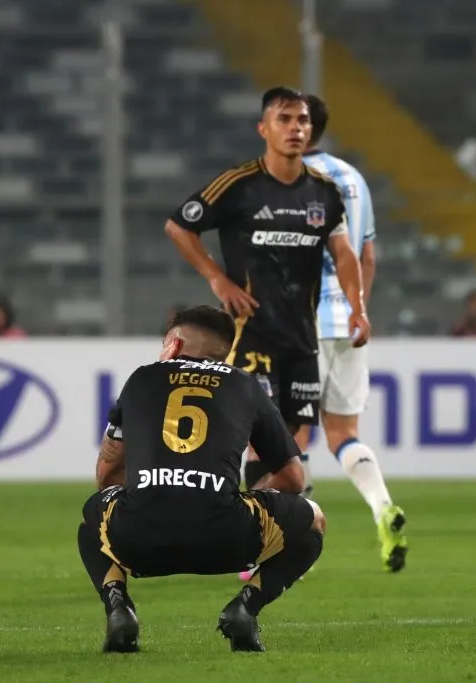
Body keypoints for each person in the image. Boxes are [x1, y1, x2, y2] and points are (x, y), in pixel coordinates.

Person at [77, 306, 325, 653]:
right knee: (313, 520)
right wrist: (242, 500)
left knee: (91, 519)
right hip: (227, 538)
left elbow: (105, 476)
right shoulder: (245, 384)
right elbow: (293, 478)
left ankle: (120, 609)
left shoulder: (141, 379)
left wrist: (153, 488)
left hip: (139, 539)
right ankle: (245, 608)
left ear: (175, 344)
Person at [164, 86, 371, 500]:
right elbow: (179, 227)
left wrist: (358, 307)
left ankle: (265, 521)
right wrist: (217, 278)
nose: (296, 128)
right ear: (264, 128)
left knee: (287, 443)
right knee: (260, 436)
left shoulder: (324, 191)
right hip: (251, 335)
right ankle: (249, 524)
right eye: (284, 119)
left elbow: (345, 254)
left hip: (302, 338)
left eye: (303, 120)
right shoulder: (239, 184)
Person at [300, 93, 407, 573]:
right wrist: (356, 309)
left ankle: (292, 544)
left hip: (300, 322)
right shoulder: (354, 178)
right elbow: (366, 257)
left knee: (289, 438)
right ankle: (383, 507)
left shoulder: (288, 178)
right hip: (348, 319)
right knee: (343, 433)